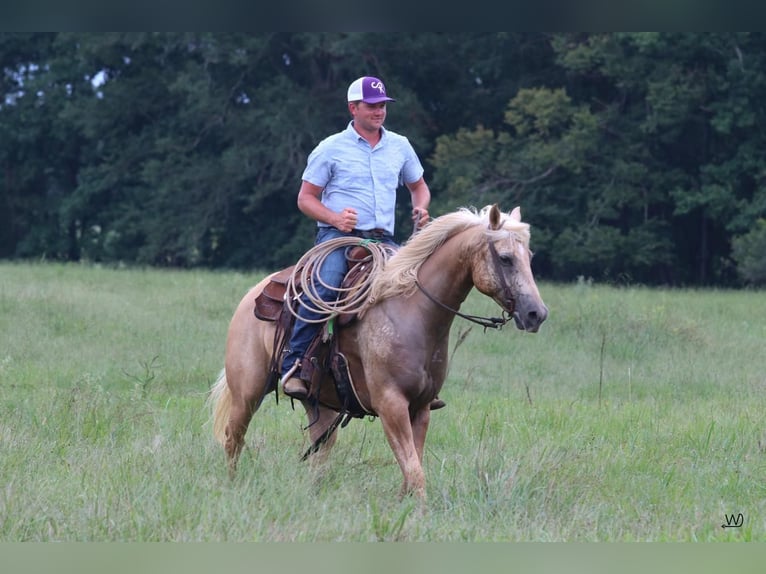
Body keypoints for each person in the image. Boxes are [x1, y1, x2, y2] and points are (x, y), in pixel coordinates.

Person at [281, 75, 444, 410]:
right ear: (353, 108)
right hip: (337, 238)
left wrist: (421, 206)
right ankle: (295, 364)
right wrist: (335, 219)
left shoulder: (400, 145)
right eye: (371, 106)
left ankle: (422, 377)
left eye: (382, 105)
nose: (379, 111)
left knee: (419, 289)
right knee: (325, 287)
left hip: (384, 240)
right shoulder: (330, 148)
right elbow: (305, 198)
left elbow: (419, 186)